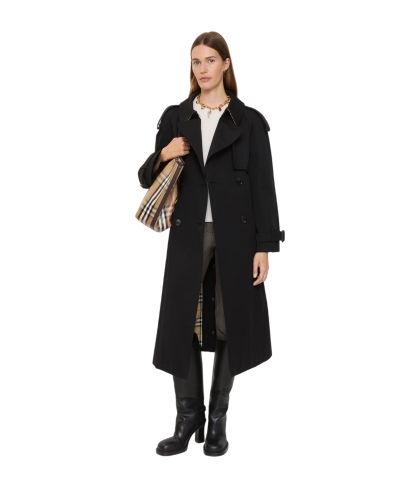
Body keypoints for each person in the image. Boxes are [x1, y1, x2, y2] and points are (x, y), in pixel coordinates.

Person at [138, 31, 285, 457]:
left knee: (230, 320)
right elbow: (146, 178)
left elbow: (263, 186)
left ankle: (218, 420)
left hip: (237, 236)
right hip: (188, 233)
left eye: (209, 60)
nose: (202, 69)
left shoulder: (249, 121)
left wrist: (264, 246)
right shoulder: (176, 117)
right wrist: (165, 153)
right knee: (180, 321)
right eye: (195, 62)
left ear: (225, 63)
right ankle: (187, 419)